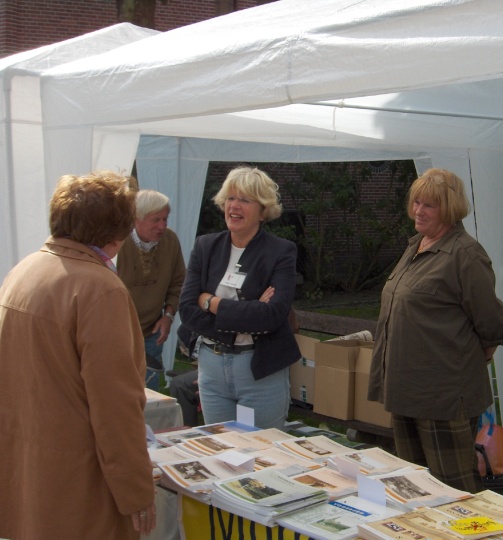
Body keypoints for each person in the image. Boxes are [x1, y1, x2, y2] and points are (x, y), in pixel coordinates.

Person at [0, 171, 156, 538]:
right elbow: (116, 406)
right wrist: (137, 493)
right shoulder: (99, 289)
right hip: (78, 481)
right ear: (118, 231)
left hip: (29, 467)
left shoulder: (23, 271)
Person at [368, 168, 503, 493]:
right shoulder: (416, 245)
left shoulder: (465, 255)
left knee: (453, 489)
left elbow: (491, 322)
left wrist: (475, 357)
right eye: (416, 202)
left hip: (442, 395)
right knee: (413, 484)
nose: (418, 210)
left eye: (429, 205)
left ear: (449, 208)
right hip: (405, 389)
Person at [177, 166, 300, 429]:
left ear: (263, 210)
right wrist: (247, 313)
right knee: (221, 451)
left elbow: (272, 316)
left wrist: (211, 302)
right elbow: (187, 309)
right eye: (230, 198)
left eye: (245, 200)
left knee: (262, 453)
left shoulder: (281, 252)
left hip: (260, 371)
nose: (235, 206)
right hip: (212, 368)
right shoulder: (205, 246)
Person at [170, 306, 300, 427]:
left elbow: (279, 323)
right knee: (180, 384)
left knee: (252, 436)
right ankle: (189, 436)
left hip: (258, 369)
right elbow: (191, 315)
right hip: (214, 367)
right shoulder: (212, 286)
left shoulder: (273, 292)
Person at [117, 189, 186, 389]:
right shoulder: (117, 244)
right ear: (136, 218)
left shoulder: (170, 241)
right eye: (156, 220)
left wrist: (169, 315)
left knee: (150, 396)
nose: (162, 226)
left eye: (165, 219)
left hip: (152, 333)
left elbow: (178, 283)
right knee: (119, 392)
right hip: (119, 334)